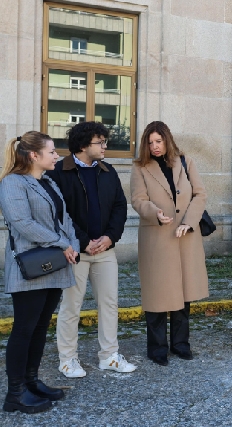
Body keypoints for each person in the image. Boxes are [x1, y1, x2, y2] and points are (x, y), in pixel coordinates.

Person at [48, 122, 135, 378]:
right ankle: (67, 359)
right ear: (84, 145)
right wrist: (84, 241)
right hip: (74, 253)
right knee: (71, 307)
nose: (105, 146)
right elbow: (58, 213)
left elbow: (120, 206)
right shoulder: (58, 171)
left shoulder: (108, 171)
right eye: (100, 142)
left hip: (105, 251)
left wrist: (109, 237)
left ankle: (109, 356)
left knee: (109, 304)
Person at [0, 132, 79, 413]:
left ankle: (32, 382)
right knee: (23, 329)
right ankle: (15, 395)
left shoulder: (48, 183)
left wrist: (73, 244)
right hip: (30, 267)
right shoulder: (12, 183)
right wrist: (62, 243)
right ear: (34, 155)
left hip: (54, 265)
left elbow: (65, 219)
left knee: (40, 327)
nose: (57, 156)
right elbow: (22, 222)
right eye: (52, 152)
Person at [130, 121, 209, 366]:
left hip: (185, 237)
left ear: (167, 140)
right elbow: (138, 199)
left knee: (183, 295)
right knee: (157, 296)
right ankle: (157, 349)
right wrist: (155, 213)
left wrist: (189, 221)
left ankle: (180, 344)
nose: (154, 146)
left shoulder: (185, 162)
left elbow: (200, 194)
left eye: (159, 141)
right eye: (150, 142)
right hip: (157, 237)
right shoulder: (140, 167)